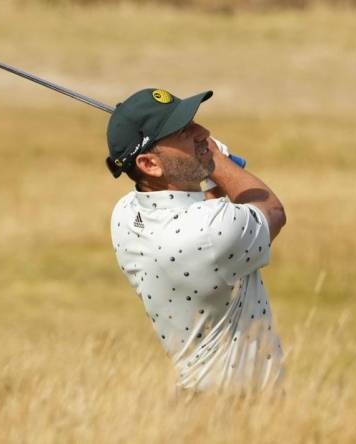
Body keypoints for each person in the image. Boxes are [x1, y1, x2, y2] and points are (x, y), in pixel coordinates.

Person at [106, 88, 287, 392]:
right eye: (183, 132)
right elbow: (272, 211)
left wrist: (203, 165)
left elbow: (206, 215)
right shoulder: (208, 235)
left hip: (199, 398)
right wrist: (216, 159)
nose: (203, 132)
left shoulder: (125, 214)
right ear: (149, 165)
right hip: (239, 408)